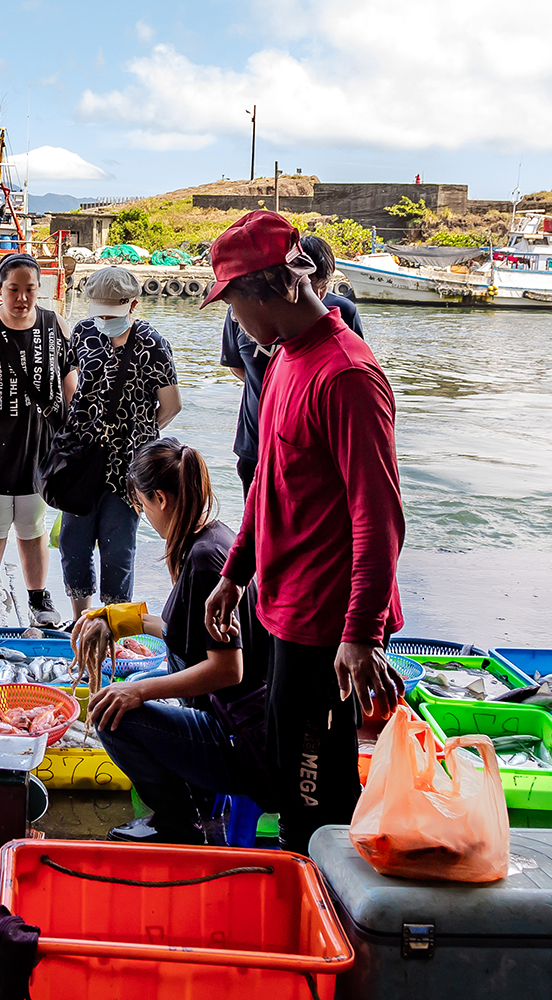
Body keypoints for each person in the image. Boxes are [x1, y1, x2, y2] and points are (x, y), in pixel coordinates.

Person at [201, 211, 406, 851]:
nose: (234, 319)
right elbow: (269, 480)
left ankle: (328, 897)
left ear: (275, 287)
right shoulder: (284, 359)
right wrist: (236, 572)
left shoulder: (346, 376)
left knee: (317, 796)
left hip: (327, 624)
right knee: (289, 773)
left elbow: (379, 517)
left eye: (233, 302)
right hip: (283, 603)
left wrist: (361, 634)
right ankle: (301, 874)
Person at [91, 439, 273, 844]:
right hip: (239, 719)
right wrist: (121, 622)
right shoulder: (214, 536)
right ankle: (193, 794)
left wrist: (137, 691)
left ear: (160, 498)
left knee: (109, 713)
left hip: (241, 740)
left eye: (143, 505)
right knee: (133, 692)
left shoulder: (204, 561)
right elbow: (187, 634)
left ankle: (177, 823)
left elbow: (228, 669)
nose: (145, 515)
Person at [56, 265, 180, 618]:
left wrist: (138, 435)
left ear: (133, 305)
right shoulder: (84, 332)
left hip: (128, 469)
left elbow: (171, 405)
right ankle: (80, 619)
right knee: (73, 543)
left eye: (113, 312)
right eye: (100, 311)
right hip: (82, 460)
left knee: (118, 548)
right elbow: (68, 381)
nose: (105, 319)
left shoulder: (152, 344)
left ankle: (112, 621)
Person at [0, 254, 76, 629]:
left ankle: (38, 597)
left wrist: (73, 431)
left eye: (30, 289)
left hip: (41, 437)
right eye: (13, 289)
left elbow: (69, 376)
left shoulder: (54, 324)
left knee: (32, 523)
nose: (22, 298)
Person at [221, 235, 361, 490]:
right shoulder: (242, 314)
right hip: (255, 442)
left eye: (320, 286)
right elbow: (236, 365)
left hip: (308, 453)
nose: (315, 296)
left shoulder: (348, 353)